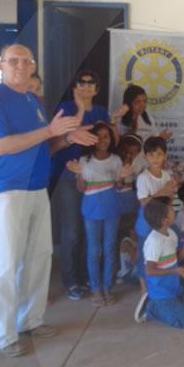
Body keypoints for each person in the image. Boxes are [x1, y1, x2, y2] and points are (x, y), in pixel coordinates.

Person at [0, 44, 96, 357]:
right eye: (12, 60)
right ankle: (4, 336)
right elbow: (3, 146)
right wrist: (49, 130)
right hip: (8, 189)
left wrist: (68, 137)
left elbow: (47, 147)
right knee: (6, 263)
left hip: (36, 187)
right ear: (2, 65)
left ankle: (30, 320)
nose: (19, 65)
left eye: (25, 61)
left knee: (40, 256)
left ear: (33, 66)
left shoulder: (33, 100)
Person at [51, 69, 123, 301]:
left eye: (91, 83)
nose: (85, 87)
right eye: (81, 83)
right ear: (74, 87)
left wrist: (115, 123)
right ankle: (71, 281)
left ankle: (86, 277)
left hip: (98, 181)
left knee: (89, 232)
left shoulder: (101, 111)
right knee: (71, 230)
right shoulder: (65, 109)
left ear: (97, 89)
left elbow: (112, 142)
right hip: (70, 177)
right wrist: (80, 109)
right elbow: (56, 143)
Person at [66, 122, 133, 306]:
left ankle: (107, 287)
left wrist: (123, 176)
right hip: (91, 210)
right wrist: (79, 174)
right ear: (92, 139)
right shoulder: (84, 161)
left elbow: (119, 186)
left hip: (112, 209)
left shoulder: (116, 160)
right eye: (99, 136)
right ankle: (96, 289)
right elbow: (81, 188)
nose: (103, 140)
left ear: (111, 139)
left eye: (106, 136)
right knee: (94, 250)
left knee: (110, 248)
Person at [135, 196, 184, 327]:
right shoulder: (154, 242)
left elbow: (177, 257)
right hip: (161, 293)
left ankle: (171, 306)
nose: (174, 211)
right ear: (165, 220)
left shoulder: (171, 233)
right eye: (171, 210)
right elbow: (150, 271)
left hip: (174, 287)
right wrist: (175, 271)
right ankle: (152, 308)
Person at [134, 137, 178, 298]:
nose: (155, 158)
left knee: (161, 252)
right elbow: (144, 203)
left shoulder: (166, 175)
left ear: (165, 155)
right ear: (145, 156)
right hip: (146, 222)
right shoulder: (143, 178)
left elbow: (169, 200)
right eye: (151, 154)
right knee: (145, 255)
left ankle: (160, 283)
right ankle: (143, 288)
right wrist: (163, 191)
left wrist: (172, 193)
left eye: (159, 154)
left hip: (163, 222)